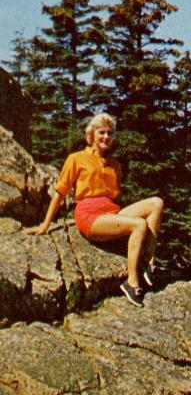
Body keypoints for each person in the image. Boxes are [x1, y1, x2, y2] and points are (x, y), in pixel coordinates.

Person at [27, 113, 164, 307]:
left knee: (156, 203)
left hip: (111, 214)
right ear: (91, 135)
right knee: (139, 225)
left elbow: (115, 197)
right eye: (101, 133)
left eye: (110, 133)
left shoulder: (115, 164)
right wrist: (45, 225)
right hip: (89, 217)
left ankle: (149, 264)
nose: (106, 137)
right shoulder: (76, 158)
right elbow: (60, 193)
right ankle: (132, 283)